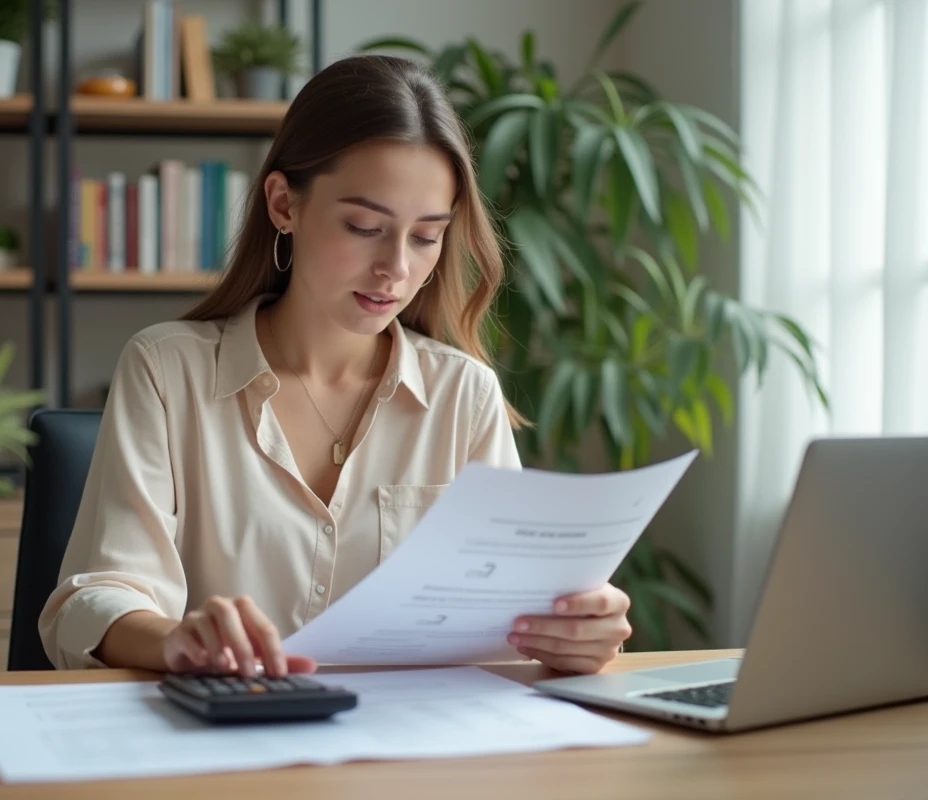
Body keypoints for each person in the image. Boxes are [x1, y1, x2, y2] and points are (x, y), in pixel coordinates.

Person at [38, 54, 632, 679]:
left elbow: (509, 623)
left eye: (426, 236)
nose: (396, 269)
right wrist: (173, 640)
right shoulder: (166, 371)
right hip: (223, 751)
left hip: (408, 758)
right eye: (364, 226)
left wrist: (574, 633)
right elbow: (92, 600)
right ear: (283, 204)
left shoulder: (465, 396)